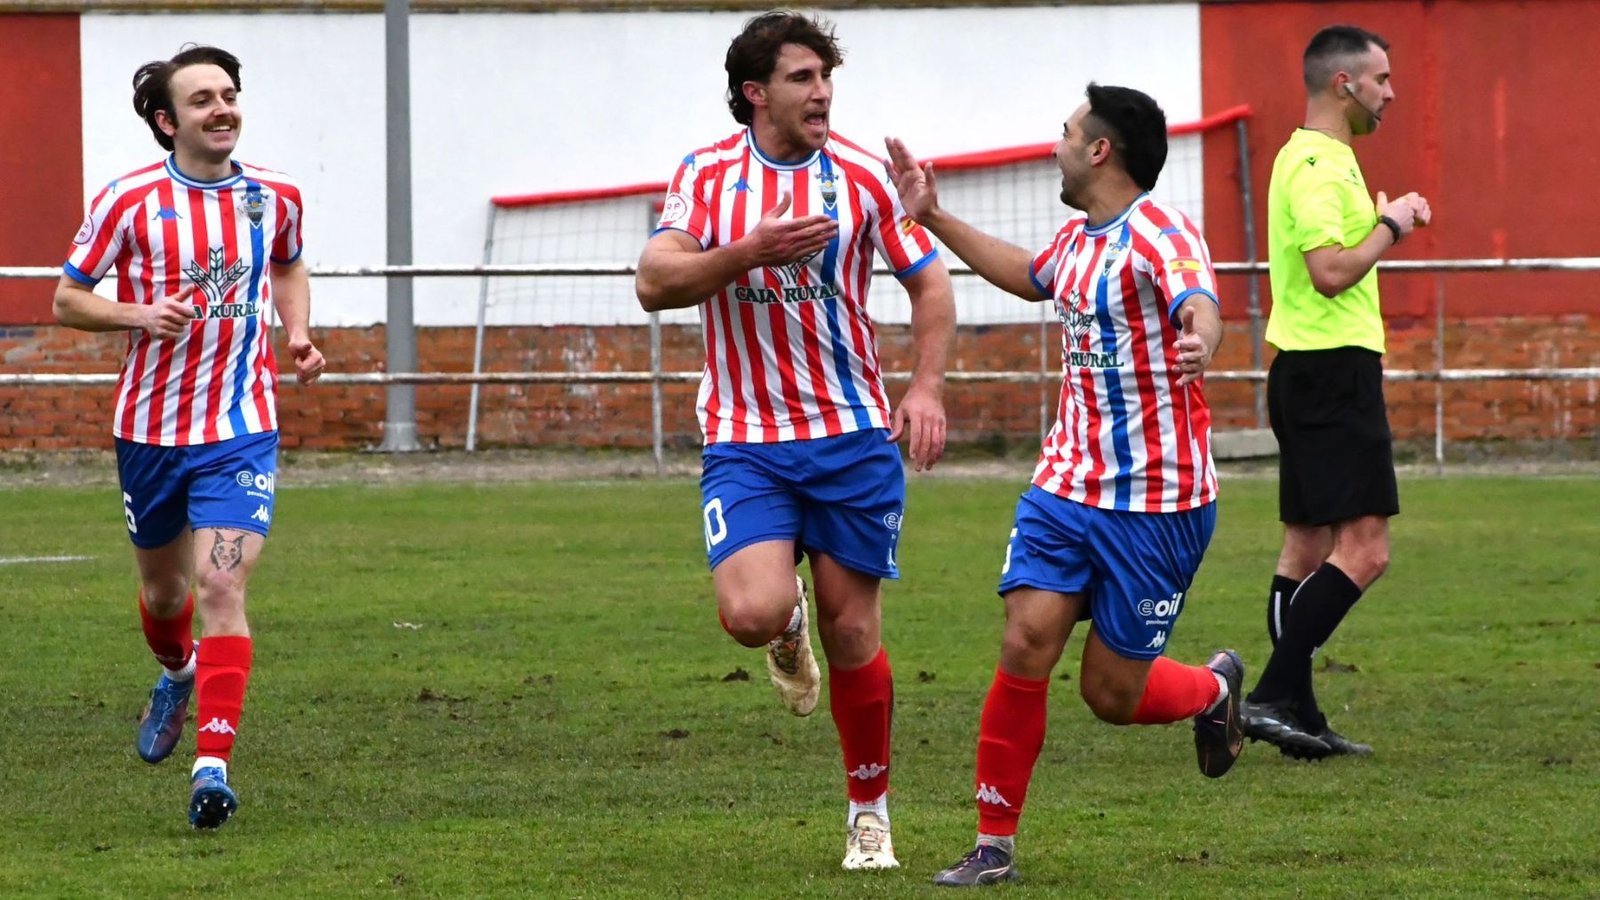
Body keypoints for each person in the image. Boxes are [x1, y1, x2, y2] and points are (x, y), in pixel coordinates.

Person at [883, 83, 1242, 887]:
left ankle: (1213, 688)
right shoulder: (1079, 243)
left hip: (1158, 505)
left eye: (1067, 132)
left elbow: (1198, 300)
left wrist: (1201, 337)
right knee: (1025, 639)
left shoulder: (1162, 234)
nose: (1057, 145)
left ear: (1100, 150)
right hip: (1065, 486)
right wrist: (931, 215)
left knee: (1110, 694)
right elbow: (1025, 273)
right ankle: (993, 846)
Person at [635, 10, 955, 871]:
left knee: (855, 634)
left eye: (826, 78)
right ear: (755, 92)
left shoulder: (861, 176)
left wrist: (925, 387)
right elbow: (654, 282)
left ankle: (869, 814)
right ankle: (785, 623)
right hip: (746, 439)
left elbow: (931, 287)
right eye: (802, 78)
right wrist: (745, 252)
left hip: (851, 437)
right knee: (750, 614)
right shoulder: (707, 175)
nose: (822, 94)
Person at [53, 45, 324, 830]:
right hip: (150, 431)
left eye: (229, 94)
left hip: (241, 427)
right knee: (165, 594)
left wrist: (297, 333)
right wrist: (139, 314)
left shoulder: (275, 195)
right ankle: (177, 673)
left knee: (221, 586)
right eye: (202, 99)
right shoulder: (128, 200)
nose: (222, 108)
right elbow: (68, 299)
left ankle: (213, 770)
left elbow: (288, 265)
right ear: (168, 121)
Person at [1239, 25, 1432, 760]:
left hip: (1305, 370)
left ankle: (1299, 713)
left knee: (1306, 544)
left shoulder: (1319, 157)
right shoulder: (1319, 164)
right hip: (1332, 373)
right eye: (1381, 79)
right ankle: (1269, 697)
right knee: (1367, 550)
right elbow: (1329, 272)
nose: (1391, 92)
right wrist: (1392, 225)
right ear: (1343, 83)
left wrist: (1375, 222)